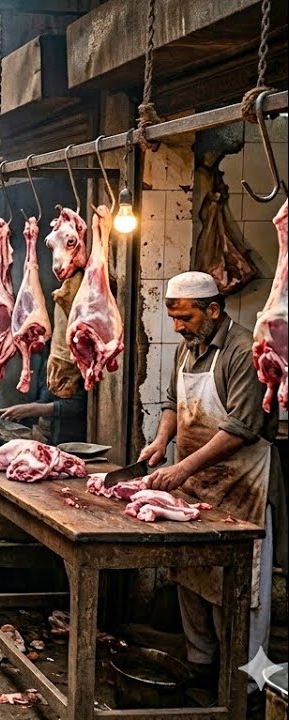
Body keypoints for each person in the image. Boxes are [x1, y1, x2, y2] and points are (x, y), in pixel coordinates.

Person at [137, 271, 279, 679]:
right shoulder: (189, 349)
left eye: (185, 318)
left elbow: (242, 427)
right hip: (197, 489)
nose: (178, 327)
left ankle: (244, 686)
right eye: (174, 319)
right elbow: (172, 402)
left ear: (213, 310)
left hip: (242, 490)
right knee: (193, 577)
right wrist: (161, 442)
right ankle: (201, 668)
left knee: (240, 592)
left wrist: (182, 467)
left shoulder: (242, 350)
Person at [0, 353, 88, 444]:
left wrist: (32, 410)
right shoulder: (48, 363)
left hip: (70, 441)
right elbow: (45, 399)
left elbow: (79, 406)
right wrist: (23, 411)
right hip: (46, 437)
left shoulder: (77, 363)